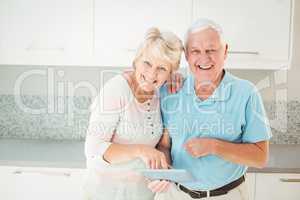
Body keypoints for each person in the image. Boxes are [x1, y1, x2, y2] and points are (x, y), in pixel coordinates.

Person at [149, 19, 272, 200]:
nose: (204, 58)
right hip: (174, 194)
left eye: (211, 50)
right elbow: (164, 145)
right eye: (196, 51)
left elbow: (260, 157)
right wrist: (163, 170)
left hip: (227, 195)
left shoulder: (246, 93)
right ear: (187, 56)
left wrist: (215, 146)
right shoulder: (171, 91)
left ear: (225, 51)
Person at [82, 27, 183, 200]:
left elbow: (163, 147)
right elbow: (93, 148)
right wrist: (141, 150)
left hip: (143, 194)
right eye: (147, 63)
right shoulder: (117, 90)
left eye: (161, 68)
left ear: (170, 73)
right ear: (136, 61)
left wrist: (164, 172)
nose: (152, 74)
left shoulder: (162, 94)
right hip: (105, 193)